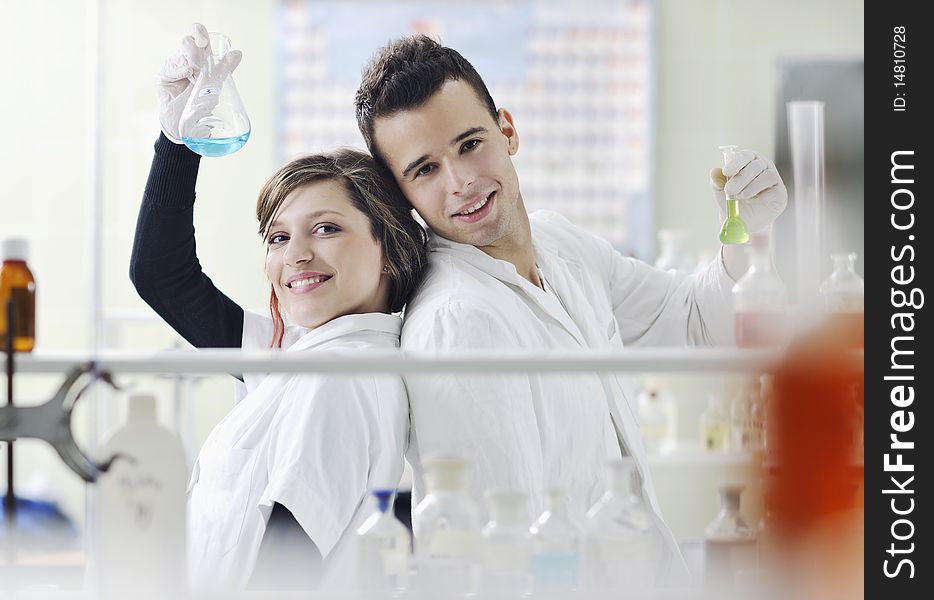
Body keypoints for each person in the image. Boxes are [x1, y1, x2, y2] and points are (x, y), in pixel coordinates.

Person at [349, 35, 788, 580]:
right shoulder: (457, 323)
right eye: (424, 170)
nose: (460, 182)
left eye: (469, 144)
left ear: (508, 130)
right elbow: (504, 552)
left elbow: (694, 322)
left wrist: (746, 234)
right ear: (403, 193)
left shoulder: (560, 245)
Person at [131, 25, 429, 591]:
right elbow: (161, 276)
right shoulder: (294, 351)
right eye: (277, 237)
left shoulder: (339, 378)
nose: (297, 255)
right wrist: (176, 139)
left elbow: (283, 564)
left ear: (388, 248)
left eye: (326, 228)